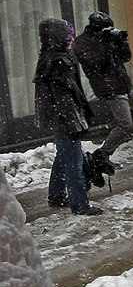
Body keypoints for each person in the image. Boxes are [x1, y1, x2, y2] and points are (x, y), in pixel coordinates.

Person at [33, 18, 103, 216]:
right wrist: (76, 123)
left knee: (63, 156)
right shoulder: (59, 62)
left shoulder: (49, 57)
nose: (72, 38)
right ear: (58, 38)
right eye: (67, 35)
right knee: (74, 160)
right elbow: (65, 99)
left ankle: (56, 195)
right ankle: (80, 204)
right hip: (66, 119)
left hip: (61, 118)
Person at [73, 12, 133, 171]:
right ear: (96, 28)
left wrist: (122, 43)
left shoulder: (106, 40)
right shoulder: (83, 43)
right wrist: (107, 45)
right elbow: (97, 64)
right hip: (108, 88)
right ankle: (101, 156)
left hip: (123, 84)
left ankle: (111, 128)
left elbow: (125, 57)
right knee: (125, 125)